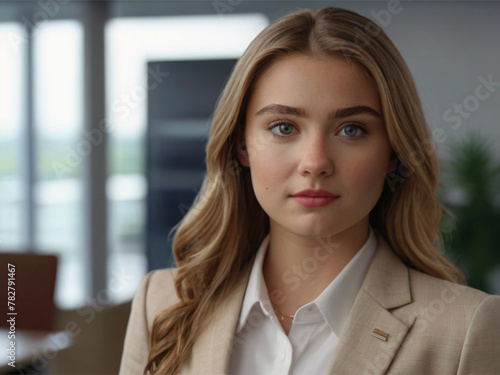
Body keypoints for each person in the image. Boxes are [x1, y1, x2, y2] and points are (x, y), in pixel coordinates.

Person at [119, 7, 500, 375]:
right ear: (241, 146)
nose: (315, 162)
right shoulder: (163, 304)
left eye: (352, 129)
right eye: (284, 127)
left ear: (394, 152)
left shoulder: (465, 328)